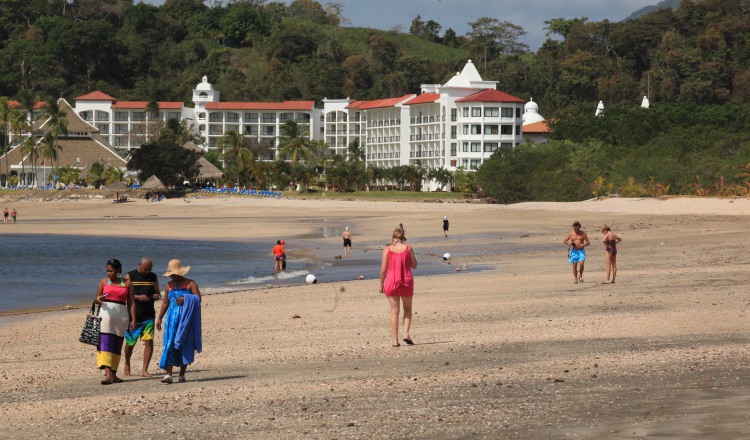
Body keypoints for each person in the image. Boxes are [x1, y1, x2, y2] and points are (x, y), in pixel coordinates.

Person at [156, 259, 202, 384]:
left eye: (174, 274)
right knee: (169, 343)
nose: (173, 276)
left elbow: (198, 298)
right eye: (171, 274)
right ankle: (168, 375)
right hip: (171, 320)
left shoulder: (190, 284)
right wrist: (160, 317)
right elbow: (165, 302)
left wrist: (185, 298)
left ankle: (182, 375)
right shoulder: (168, 285)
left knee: (184, 343)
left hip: (186, 319)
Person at [94, 259, 135, 385]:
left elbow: (131, 302)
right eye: (107, 271)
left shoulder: (127, 283)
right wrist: (99, 300)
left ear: (118, 270)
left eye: (111, 271)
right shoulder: (104, 282)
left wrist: (133, 319)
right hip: (105, 315)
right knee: (105, 342)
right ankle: (107, 375)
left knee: (117, 343)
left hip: (121, 316)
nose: (108, 273)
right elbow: (96, 298)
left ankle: (114, 374)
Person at [379, 227, 418, 347]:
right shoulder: (408, 248)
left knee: (394, 312)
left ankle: (395, 341)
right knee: (407, 309)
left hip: (391, 281)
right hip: (406, 280)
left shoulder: (387, 249)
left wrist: (381, 284)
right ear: (403, 238)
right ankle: (406, 334)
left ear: (393, 238)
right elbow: (414, 265)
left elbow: (383, 269)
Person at [123, 257, 161, 377]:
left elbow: (158, 292)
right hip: (134, 315)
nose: (147, 271)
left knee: (149, 341)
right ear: (139, 265)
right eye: (145, 269)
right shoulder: (130, 276)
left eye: (149, 269)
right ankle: (127, 363)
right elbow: (123, 294)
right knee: (130, 343)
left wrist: (156, 295)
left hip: (149, 314)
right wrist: (138, 297)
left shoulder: (153, 276)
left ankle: (144, 369)